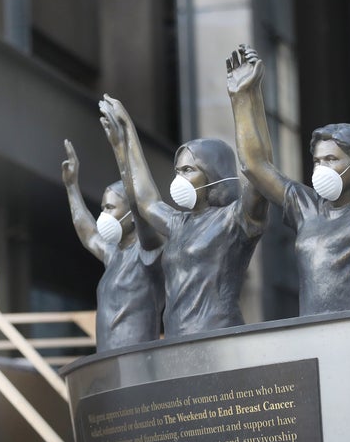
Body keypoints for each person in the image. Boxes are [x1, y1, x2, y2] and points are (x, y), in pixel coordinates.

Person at [227, 25, 350, 315]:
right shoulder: (305, 207)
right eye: (317, 161)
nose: (320, 168)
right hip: (315, 337)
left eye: (331, 160)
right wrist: (242, 97)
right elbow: (253, 166)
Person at [99, 95, 269, 338]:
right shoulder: (178, 224)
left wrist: (243, 100)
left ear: (213, 173)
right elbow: (145, 199)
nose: (179, 179)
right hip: (177, 341)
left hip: (218, 337)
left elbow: (257, 168)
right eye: (178, 171)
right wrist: (126, 136)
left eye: (188, 170)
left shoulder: (234, 219)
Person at [62, 139, 164, 351]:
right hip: (109, 358)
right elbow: (89, 234)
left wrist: (121, 149)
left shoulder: (149, 251)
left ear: (133, 214)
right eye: (103, 209)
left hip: (137, 359)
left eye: (110, 208)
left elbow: (142, 201)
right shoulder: (113, 255)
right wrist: (71, 186)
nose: (104, 215)